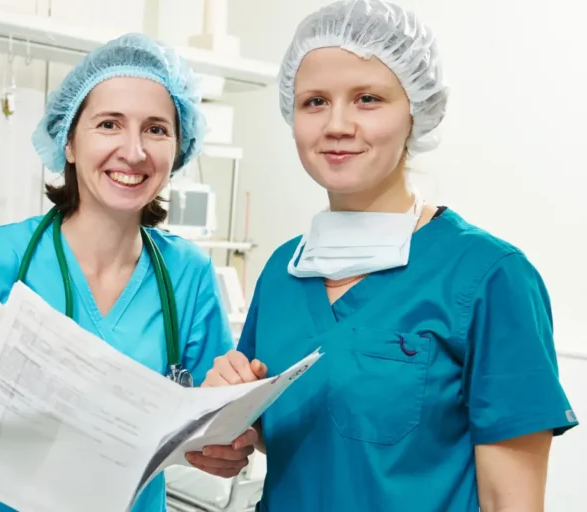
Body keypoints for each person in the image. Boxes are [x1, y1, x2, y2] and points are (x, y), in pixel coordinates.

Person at [195, 1, 580, 510]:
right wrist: (227, 428)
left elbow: (511, 502)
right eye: (314, 101)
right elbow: (303, 434)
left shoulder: (490, 278)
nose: (337, 124)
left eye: (367, 99)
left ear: (416, 111)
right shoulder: (284, 272)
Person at [0, 33, 247, 512]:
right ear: (68, 141)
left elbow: (203, 429)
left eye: (156, 129)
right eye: (109, 124)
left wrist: (224, 450)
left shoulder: (187, 274)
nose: (133, 151)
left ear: (179, 147)